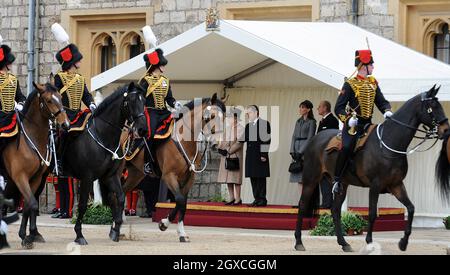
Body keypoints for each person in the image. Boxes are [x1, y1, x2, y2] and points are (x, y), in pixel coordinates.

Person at [332, 49, 392, 194]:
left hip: (368, 123)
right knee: (346, 147)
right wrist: (347, 120)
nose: (373, 67)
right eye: (371, 64)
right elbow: (338, 108)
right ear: (363, 65)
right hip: (353, 124)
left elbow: (381, 101)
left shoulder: (373, 83)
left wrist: (386, 110)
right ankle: (337, 179)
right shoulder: (350, 84)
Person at [52, 27, 96, 218]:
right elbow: (55, 98)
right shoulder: (59, 78)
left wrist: (92, 103)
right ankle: (60, 161)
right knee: (64, 135)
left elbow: (85, 94)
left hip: (78, 114)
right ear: (70, 61)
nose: (80, 62)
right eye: (77, 59)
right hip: (64, 116)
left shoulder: (79, 78)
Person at [138, 33, 182, 175]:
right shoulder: (145, 81)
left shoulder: (165, 80)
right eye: (162, 64)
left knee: (177, 127)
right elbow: (140, 98)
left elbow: (169, 98)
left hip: (163, 111)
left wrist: (175, 104)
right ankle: (147, 163)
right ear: (155, 65)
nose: (164, 66)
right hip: (150, 112)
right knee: (150, 134)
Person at [230, 105, 271, 207]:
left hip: (260, 155)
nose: (247, 115)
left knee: (260, 178)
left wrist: (264, 154)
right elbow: (242, 139)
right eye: (247, 113)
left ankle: (262, 200)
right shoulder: (248, 126)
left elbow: (266, 140)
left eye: (249, 113)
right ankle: (256, 199)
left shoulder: (264, 124)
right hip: (251, 156)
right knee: (253, 177)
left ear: (256, 112)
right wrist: (229, 148)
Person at [217, 107, 244, 205]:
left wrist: (228, 150)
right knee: (228, 179)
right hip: (226, 156)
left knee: (235, 179)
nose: (229, 119)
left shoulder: (241, 128)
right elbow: (222, 140)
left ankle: (238, 198)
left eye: (231, 117)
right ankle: (231, 198)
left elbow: (239, 143)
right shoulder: (227, 128)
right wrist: (220, 148)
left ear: (236, 118)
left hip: (235, 156)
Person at [289, 100, 316, 197]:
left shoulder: (312, 122)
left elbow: (310, 138)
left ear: (308, 109)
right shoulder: (298, 121)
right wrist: (292, 150)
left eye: (303, 107)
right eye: (300, 107)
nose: (300, 109)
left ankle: (306, 200)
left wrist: (301, 152)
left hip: (305, 150)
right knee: (298, 177)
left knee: (305, 177)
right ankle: (301, 200)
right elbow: (293, 136)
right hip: (296, 148)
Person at [317, 100, 339, 208]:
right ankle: (326, 202)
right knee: (323, 178)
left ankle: (331, 202)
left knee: (330, 178)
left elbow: (332, 137)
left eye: (319, 107)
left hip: (329, 154)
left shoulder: (332, 120)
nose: (318, 108)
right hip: (322, 154)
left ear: (325, 108)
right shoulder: (321, 121)